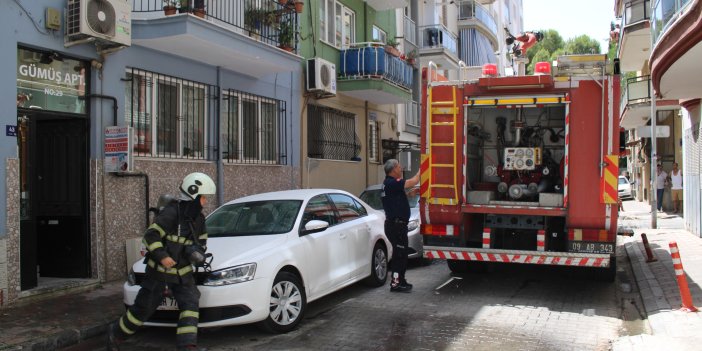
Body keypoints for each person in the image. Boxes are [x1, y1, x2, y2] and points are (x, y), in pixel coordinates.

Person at [108, 172, 216, 351]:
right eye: (204, 198)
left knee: (190, 305)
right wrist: (162, 256)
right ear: (193, 194)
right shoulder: (171, 212)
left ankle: (187, 346)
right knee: (142, 310)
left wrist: (197, 253)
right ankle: (116, 334)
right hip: (159, 274)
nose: (205, 202)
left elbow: (202, 241)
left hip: (183, 275)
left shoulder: (199, 218)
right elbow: (151, 235)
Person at [381, 159, 420, 293]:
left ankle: (401, 280)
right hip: (396, 226)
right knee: (399, 255)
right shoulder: (392, 182)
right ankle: (395, 283)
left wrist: (410, 194)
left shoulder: (389, 184)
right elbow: (413, 181)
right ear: (393, 170)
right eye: (399, 166)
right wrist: (423, 169)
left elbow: (396, 199)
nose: (401, 168)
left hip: (397, 225)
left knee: (402, 254)